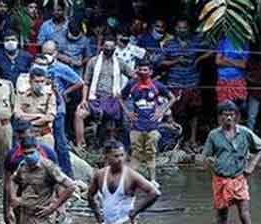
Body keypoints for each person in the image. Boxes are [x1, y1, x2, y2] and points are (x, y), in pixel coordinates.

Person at [202, 101, 261, 224]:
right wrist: (208, 163)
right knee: (222, 216)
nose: (229, 118)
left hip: (239, 178)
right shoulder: (214, 135)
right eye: (226, 115)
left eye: (232, 115)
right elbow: (205, 156)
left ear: (236, 116)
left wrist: (251, 165)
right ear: (220, 118)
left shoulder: (244, 132)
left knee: (244, 214)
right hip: (220, 179)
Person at [121, 58, 174, 186]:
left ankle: (152, 180)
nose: (142, 72)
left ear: (150, 72)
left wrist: (161, 111)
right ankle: (132, 181)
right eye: (140, 69)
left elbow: (172, 98)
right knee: (136, 154)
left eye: (145, 70)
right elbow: (120, 98)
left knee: (151, 153)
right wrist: (128, 112)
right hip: (136, 126)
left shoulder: (157, 85)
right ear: (137, 70)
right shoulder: (131, 84)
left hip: (152, 126)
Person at [76, 35, 134, 150]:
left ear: (115, 48)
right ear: (102, 46)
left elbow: (133, 76)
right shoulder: (93, 61)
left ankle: (114, 148)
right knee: (79, 114)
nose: (108, 48)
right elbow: (86, 83)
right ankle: (80, 145)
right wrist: (83, 99)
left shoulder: (120, 63)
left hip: (112, 100)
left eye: (111, 47)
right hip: (95, 98)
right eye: (106, 46)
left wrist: (124, 93)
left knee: (114, 124)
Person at [160, 19, 209, 149]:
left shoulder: (195, 42)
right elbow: (160, 62)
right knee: (174, 113)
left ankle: (192, 140)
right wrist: (175, 61)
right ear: (175, 29)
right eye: (179, 27)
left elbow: (213, 48)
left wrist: (199, 59)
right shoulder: (169, 44)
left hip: (192, 82)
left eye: (185, 28)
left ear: (188, 29)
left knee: (193, 112)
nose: (182, 30)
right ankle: (177, 141)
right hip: (174, 83)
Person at [43, 40, 82, 178]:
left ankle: (67, 173)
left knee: (60, 142)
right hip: (42, 111)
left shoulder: (61, 67)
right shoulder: (37, 66)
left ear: (56, 53)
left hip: (58, 109)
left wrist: (65, 92)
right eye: (44, 53)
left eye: (50, 53)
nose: (47, 56)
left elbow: (79, 81)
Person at [14, 66, 56, 148]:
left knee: (47, 158)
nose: (39, 84)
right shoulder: (22, 95)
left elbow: (50, 117)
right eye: (36, 81)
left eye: (42, 81)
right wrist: (39, 116)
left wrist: (30, 123)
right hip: (25, 136)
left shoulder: (49, 95)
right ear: (30, 82)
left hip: (44, 135)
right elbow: (18, 115)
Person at [215, 36, 250, 114]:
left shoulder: (244, 42)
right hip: (223, 79)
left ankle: (236, 125)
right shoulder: (223, 41)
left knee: (238, 108)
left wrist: (226, 59)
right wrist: (236, 62)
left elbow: (243, 65)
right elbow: (218, 61)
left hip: (238, 80)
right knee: (224, 108)